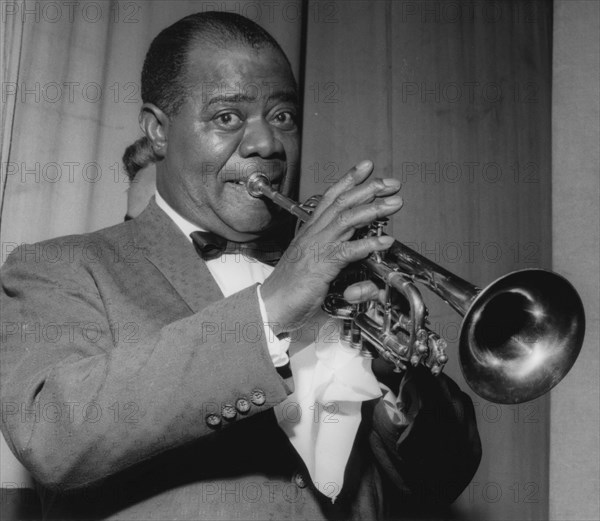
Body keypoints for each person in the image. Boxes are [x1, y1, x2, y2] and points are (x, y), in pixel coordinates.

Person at [0, 12, 481, 520]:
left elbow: (440, 480)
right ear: (158, 131)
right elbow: (49, 434)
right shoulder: (62, 267)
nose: (267, 144)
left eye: (282, 117)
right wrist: (271, 309)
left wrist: (401, 383)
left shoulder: (340, 280)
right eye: (227, 117)